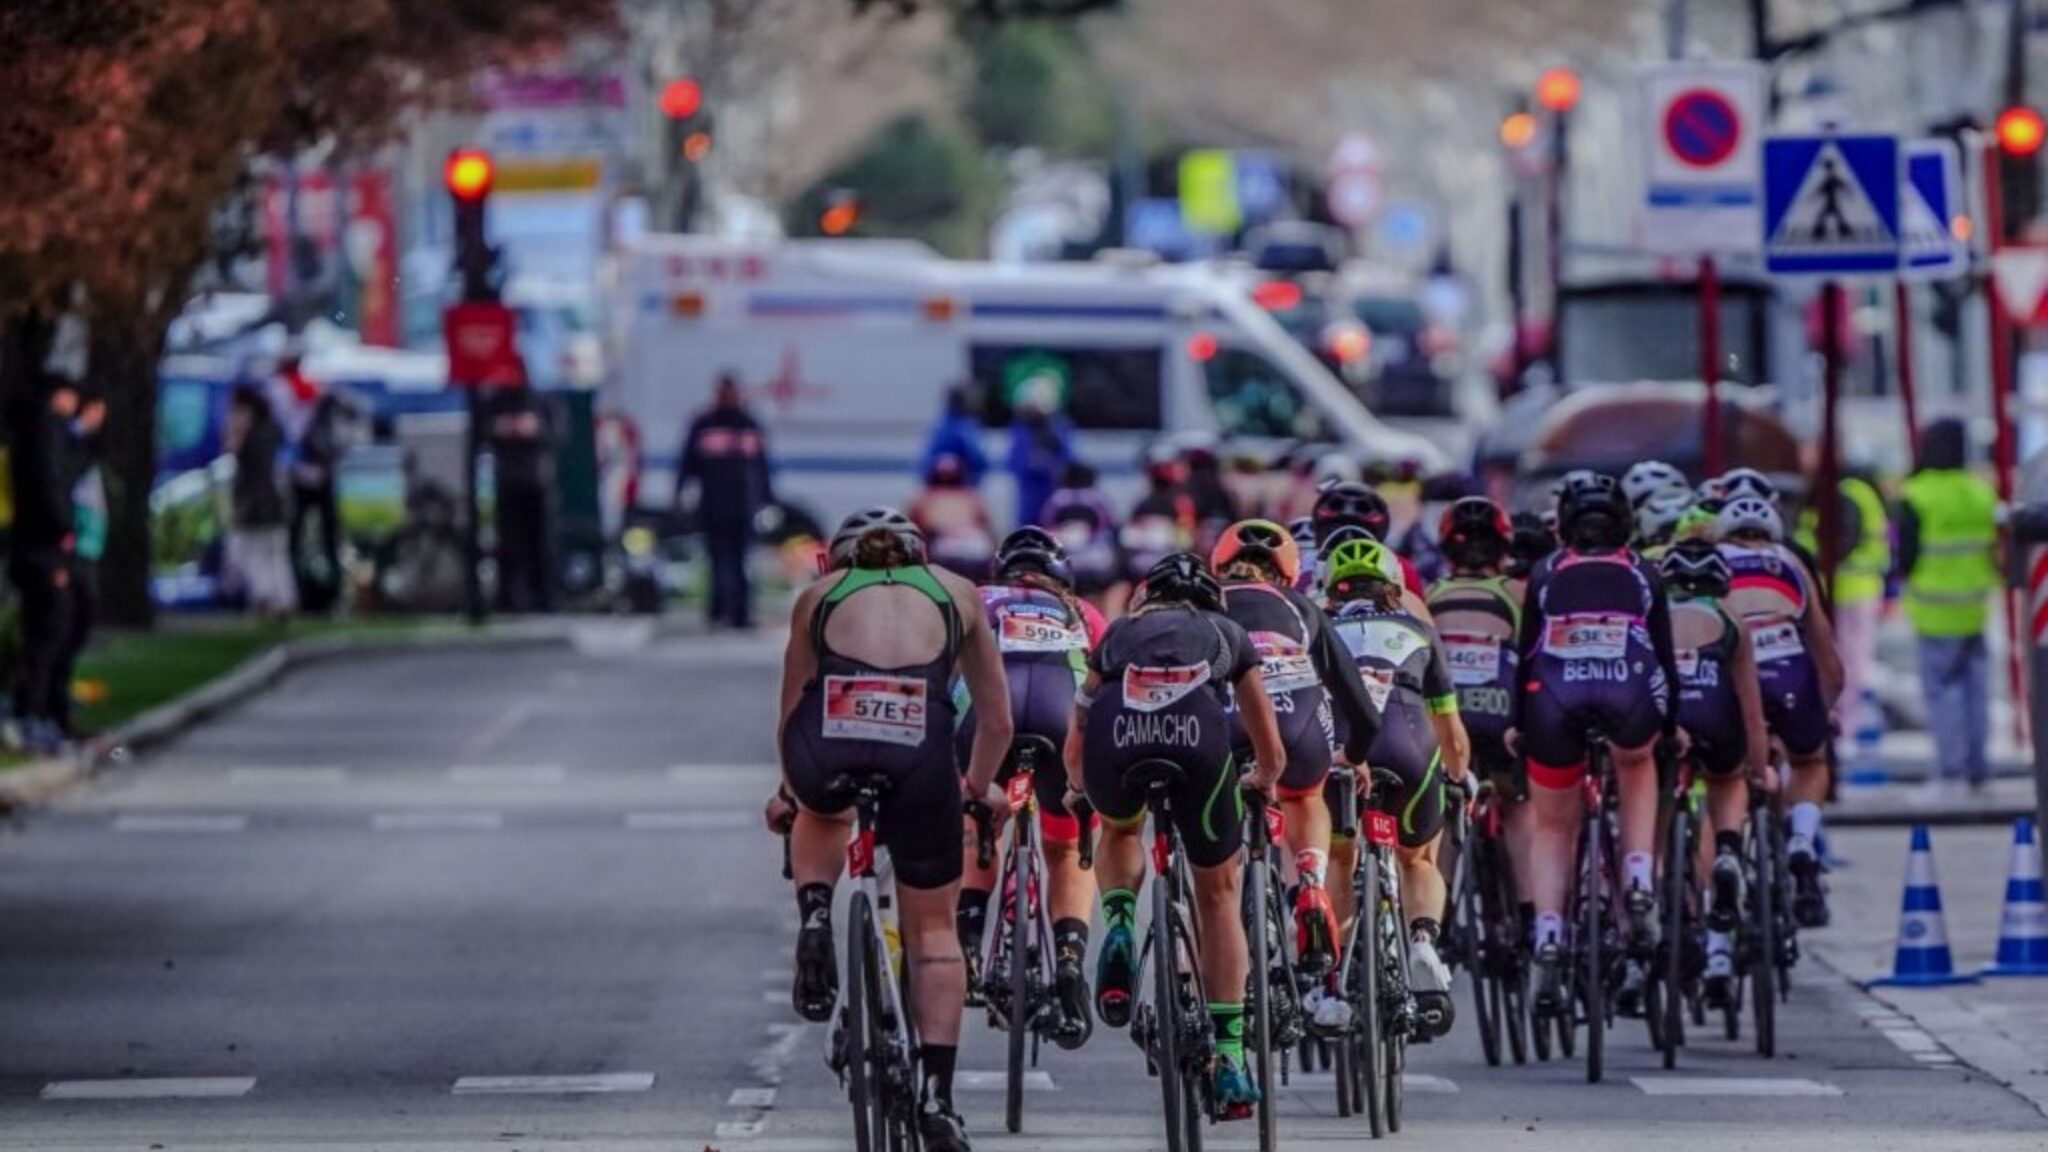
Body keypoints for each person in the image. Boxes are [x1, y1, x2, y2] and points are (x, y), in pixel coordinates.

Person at [775, 507, 1013, 1152]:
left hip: (830, 740)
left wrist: (787, 794)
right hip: (921, 747)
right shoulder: (956, 593)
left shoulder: (818, 597)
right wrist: (977, 789)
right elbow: (996, 722)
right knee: (934, 933)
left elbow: (793, 708)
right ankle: (938, 1098)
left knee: (819, 809)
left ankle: (817, 912)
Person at [1068, 551, 1285, 1116]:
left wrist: (1076, 788)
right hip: (1200, 746)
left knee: (1119, 828)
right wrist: (1262, 777)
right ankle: (1232, 1056)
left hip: (1117, 746)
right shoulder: (1228, 632)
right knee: (1218, 895)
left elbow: (1079, 726)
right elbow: (1270, 743)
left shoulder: (1118, 633)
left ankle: (1117, 919)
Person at [1513, 471, 1679, 1015]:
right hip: (1629, 689)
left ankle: (1550, 934)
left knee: (1553, 825)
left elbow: (1524, 657)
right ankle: (1637, 878)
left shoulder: (1544, 573)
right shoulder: (1643, 572)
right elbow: (1665, 660)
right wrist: (1669, 725)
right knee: (1636, 766)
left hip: (1552, 695)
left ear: (1562, 526)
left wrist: (1520, 724)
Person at [1211, 519, 1381, 1019]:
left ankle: (1196, 952)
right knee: (1305, 795)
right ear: (1287, 573)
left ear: (1218, 565)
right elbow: (1359, 702)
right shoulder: (1302, 607)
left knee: (1211, 866)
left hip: (1225, 721)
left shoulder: (1203, 604)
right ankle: (1308, 880)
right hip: (1298, 723)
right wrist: (1355, 752)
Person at [952, 527, 1105, 1048]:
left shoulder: (975, 599)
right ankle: (1068, 959)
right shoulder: (1083, 611)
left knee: (978, 818)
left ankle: (968, 943)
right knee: (1066, 849)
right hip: (1063, 721)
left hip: (990, 717)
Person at [1323, 536, 1470, 1038]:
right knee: (1418, 859)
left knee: (1340, 858)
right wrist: (1459, 776)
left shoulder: (1320, 629)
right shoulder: (1419, 629)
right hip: (1411, 746)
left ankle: (1333, 980)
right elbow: (1449, 728)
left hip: (1345, 749)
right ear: (1394, 589)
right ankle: (1424, 941)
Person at [1718, 494, 1843, 925]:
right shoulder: (1790, 563)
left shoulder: (1710, 563)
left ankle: (1724, 862)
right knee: (1810, 761)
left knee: (1726, 773)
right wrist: (1820, 712)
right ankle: (1802, 841)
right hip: (1788, 672)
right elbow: (1828, 659)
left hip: (1731, 680)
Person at [1659, 540, 1773, 1007]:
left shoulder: (1656, 614)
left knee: (1653, 788)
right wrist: (1759, 770)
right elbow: (1751, 708)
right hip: (1718, 715)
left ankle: (1647, 879)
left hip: (1670, 720)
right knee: (1728, 779)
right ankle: (1727, 849)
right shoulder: (1730, 619)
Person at [1425, 498, 1528, 912]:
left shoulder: (1430, 594)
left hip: (1446, 725)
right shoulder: (1518, 592)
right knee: (1521, 806)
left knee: (1445, 807)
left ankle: (1439, 911)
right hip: (1498, 719)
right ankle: (1532, 909)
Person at [1898, 421, 2000, 800]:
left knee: (1943, 694)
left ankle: (1950, 771)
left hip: (1934, 609)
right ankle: (1978, 771)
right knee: (1976, 692)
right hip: (1974, 607)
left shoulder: (1917, 494)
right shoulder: (1981, 492)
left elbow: (1905, 555)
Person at [7, 377, 81, 754]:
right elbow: (50, 487)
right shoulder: (47, 434)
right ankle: (33, 711)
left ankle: (37, 708)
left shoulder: (31, 433)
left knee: (45, 628)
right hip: (43, 547)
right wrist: (63, 531)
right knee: (50, 627)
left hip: (31, 545)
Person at [1798, 468, 1892, 765]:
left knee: (1843, 662)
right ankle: (1848, 726)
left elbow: (1839, 542)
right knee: (1853, 660)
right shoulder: (1862, 494)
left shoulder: (1841, 496)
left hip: (1842, 590)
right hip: (1858, 589)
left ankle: (1844, 729)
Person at [679, 374, 773, 628]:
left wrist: (766, 501)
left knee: (742, 561)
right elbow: (687, 465)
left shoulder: (748, 425)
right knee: (718, 561)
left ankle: (739, 614)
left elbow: (762, 468)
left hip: (743, 507)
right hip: (713, 507)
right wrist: (681, 495)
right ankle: (719, 611)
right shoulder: (704, 424)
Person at [50, 388, 106, 739]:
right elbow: (65, 478)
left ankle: (59, 706)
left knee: (77, 623)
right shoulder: (62, 442)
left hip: (86, 545)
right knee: (62, 628)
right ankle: (49, 709)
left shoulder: (79, 443)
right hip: (70, 547)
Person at [484, 372, 558, 614]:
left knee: (539, 543)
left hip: (534, 480)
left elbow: (555, 432)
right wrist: (501, 428)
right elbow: (483, 432)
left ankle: (543, 597)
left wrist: (533, 428)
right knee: (508, 544)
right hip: (507, 480)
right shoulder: (496, 400)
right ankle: (508, 597)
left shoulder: (538, 399)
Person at [226, 384, 295, 620]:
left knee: (254, 553)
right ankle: (283, 598)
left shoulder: (250, 433)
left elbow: (234, 452)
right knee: (276, 553)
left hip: (254, 503)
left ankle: (266, 596)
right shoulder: (273, 430)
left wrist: (237, 431)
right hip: (275, 502)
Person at [288, 388, 354, 613]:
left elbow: (293, 444)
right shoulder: (329, 418)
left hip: (306, 481)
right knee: (327, 538)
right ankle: (329, 591)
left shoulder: (305, 414)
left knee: (299, 538)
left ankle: (302, 591)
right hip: (323, 480)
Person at [1040, 463, 1123, 613]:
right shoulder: (1098, 499)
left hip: (1065, 566)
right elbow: (1112, 530)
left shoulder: (1056, 500)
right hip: (1096, 566)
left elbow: (1046, 531)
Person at [909, 453, 995, 580]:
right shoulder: (925, 498)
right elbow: (917, 528)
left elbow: (987, 527)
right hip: (945, 545)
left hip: (972, 546)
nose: (946, 477)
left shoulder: (971, 497)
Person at [1007, 397, 1074, 530]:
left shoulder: (1060, 426)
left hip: (1051, 483)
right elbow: (1014, 460)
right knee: (1027, 524)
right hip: (1029, 484)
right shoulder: (1021, 428)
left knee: (1051, 521)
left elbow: (1068, 456)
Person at [921, 385, 989, 489]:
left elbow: (978, 459)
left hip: (962, 484)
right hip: (943, 486)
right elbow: (978, 458)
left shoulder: (946, 426)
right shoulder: (947, 426)